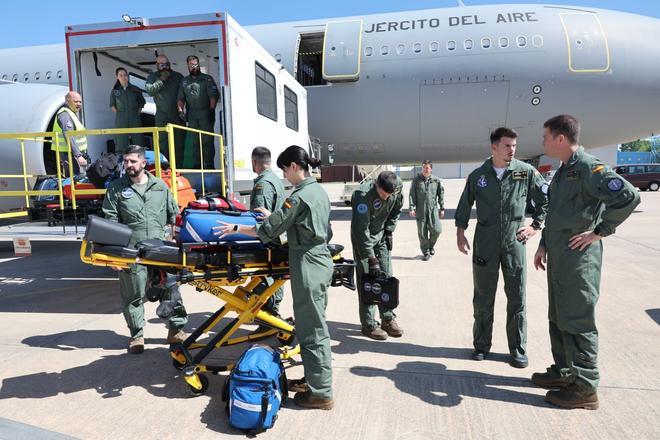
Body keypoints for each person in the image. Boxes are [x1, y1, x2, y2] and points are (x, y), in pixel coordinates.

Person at [213, 145, 334, 410]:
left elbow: (268, 229)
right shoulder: (318, 192)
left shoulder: (299, 197)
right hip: (319, 261)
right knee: (314, 324)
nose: (284, 177)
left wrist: (236, 227)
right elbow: (308, 227)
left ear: (293, 166)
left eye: (284, 170)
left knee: (311, 330)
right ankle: (315, 380)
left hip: (307, 265)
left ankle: (321, 393)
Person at [532, 115, 640, 409]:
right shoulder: (564, 170)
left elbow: (629, 197)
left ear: (560, 139)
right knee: (559, 316)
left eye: (546, 136)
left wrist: (599, 232)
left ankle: (585, 388)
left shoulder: (590, 169)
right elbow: (554, 214)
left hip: (579, 260)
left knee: (578, 320)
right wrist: (543, 245)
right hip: (559, 257)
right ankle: (565, 372)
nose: (542, 142)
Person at [454, 127, 548, 368]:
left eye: (514, 146)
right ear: (494, 147)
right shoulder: (478, 176)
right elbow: (465, 203)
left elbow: (546, 200)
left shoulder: (525, 172)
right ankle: (481, 346)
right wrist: (460, 232)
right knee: (483, 296)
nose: (512, 150)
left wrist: (535, 226)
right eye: (507, 146)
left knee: (517, 296)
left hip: (514, 240)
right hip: (485, 240)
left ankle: (517, 349)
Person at [102, 145, 188, 354]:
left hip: (161, 247)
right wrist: (113, 256)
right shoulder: (115, 188)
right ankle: (137, 335)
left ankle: (176, 330)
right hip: (132, 250)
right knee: (132, 293)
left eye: (132, 161)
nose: (128, 165)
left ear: (143, 163)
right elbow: (110, 221)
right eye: (126, 161)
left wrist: (177, 243)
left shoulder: (160, 186)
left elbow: (173, 216)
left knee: (171, 289)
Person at [351, 171, 404, 340]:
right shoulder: (362, 196)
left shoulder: (396, 188)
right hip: (364, 240)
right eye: (383, 194)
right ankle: (368, 324)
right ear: (376, 185)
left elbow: (396, 210)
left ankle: (387, 318)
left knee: (386, 276)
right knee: (368, 280)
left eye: (390, 194)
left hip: (381, 235)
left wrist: (389, 230)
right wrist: (371, 258)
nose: (386, 197)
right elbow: (361, 230)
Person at [250, 147, 286, 316]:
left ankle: (268, 316)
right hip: (278, 239)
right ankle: (273, 313)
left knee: (264, 280)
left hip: (267, 241)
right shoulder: (276, 180)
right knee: (276, 278)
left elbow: (259, 217)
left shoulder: (262, 184)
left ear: (255, 162)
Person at [177, 55, 220, 169]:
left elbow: (213, 95)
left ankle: (209, 165)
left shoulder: (207, 78)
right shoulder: (185, 81)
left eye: (195, 64)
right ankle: (197, 166)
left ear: (199, 65)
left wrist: (212, 110)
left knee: (207, 141)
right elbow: (180, 98)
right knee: (195, 142)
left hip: (205, 113)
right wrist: (181, 111)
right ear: (188, 66)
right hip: (191, 115)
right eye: (191, 65)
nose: (193, 67)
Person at [145, 55, 186, 163]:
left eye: (166, 64)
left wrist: (182, 110)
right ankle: (164, 169)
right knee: (162, 143)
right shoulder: (153, 77)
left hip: (177, 114)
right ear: (157, 65)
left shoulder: (178, 76)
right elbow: (150, 91)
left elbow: (183, 94)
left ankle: (178, 169)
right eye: (162, 65)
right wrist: (162, 80)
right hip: (161, 115)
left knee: (179, 143)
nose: (165, 67)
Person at [409, 160, 445, 260]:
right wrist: (411, 207)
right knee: (422, 232)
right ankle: (426, 252)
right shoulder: (416, 180)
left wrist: (442, 208)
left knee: (437, 230)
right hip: (421, 210)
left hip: (433, 209)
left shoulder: (436, 180)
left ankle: (431, 245)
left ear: (431, 169)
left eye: (427, 168)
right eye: (423, 167)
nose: (425, 169)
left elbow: (440, 195)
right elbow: (412, 194)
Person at [53, 91, 88, 176]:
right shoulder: (65, 114)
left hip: (73, 153)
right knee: (74, 180)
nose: (79, 104)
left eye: (80, 102)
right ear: (68, 102)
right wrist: (78, 155)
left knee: (78, 179)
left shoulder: (71, 113)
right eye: (76, 101)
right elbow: (68, 135)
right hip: (69, 154)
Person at [110, 67, 145, 150]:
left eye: (125, 75)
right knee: (121, 142)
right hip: (121, 118)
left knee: (138, 141)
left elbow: (141, 103)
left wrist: (135, 114)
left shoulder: (135, 89)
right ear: (117, 77)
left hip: (134, 117)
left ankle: (138, 160)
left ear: (128, 76)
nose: (123, 77)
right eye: (120, 75)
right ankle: (121, 161)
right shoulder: (115, 91)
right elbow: (112, 105)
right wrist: (121, 115)